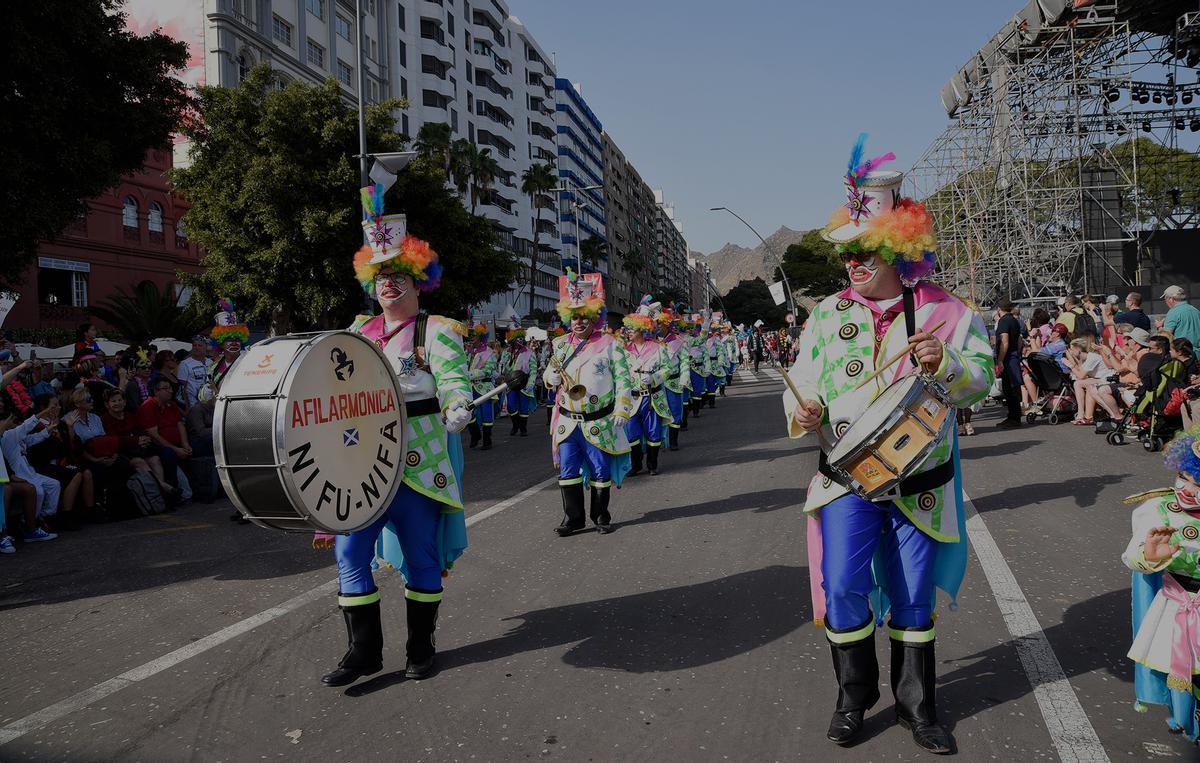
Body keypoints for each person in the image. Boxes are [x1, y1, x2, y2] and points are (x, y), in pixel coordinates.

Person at [784, 138, 993, 754]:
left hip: (918, 484)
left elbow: (980, 380)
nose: (854, 262)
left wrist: (946, 361)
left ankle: (917, 707)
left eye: (867, 250)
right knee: (841, 586)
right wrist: (803, 407)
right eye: (848, 251)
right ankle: (854, 698)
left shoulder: (948, 313)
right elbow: (803, 377)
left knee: (912, 598)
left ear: (900, 249)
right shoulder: (826, 315)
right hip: (846, 479)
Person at [318, 186, 473, 688]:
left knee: (420, 555)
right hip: (361, 463)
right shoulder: (357, 331)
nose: (388, 284)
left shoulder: (437, 330)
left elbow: (453, 379)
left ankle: (420, 648)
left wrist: (457, 403)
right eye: (381, 276)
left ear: (418, 280)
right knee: (349, 552)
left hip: (416, 462)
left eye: (398, 275)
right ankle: (363, 652)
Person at [543, 269, 634, 536]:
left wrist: (623, 408)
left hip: (599, 420)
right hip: (568, 421)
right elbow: (548, 375)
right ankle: (573, 519)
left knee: (600, 471)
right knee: (567, 471)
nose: (579, 322)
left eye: (584, 316)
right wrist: (550, 378)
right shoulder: (560, 345)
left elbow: (624, 379)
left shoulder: (610, 344)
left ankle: (600, 516)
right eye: (574, 317)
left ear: (595, 317)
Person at [1123, 429, 1200, 741]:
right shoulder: (1158, 509)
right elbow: (1133, 556)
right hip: (1177, 605)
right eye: (1183, 477)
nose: (1188, 490)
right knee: (1182, 672)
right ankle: (1187, 721)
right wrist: (1150, 555)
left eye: (1199, 484)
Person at [622, 296, 671, 476]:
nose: (628, 332)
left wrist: (655, 378)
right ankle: (636, 465)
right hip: (632, 398)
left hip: (651, 398)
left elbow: (667, 369)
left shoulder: (659, 348)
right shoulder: (624, 351)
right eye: (628, 329)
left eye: (632, 329)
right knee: (631, 433)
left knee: (653, 433)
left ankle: (652, 464)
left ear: (642, 329)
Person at [659, 307, 691, 451]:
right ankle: (658, 440)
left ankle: (673, 440)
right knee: (658, 413)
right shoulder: (651, 342)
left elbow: (684, 361)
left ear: (666, 324)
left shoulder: (679, 341)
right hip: (656, 384)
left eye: (659, 324)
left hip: (673, 382)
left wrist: (684, 378)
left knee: (675, 411)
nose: (656, 327)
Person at [466, 323, 497, 450]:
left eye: (474, 335)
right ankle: (475, 435)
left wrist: (469, 375)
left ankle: (487, 440)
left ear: (480, 337)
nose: (471, 337)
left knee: (486, 414)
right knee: (467, 412)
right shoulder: (468, 352)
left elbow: (488, 371)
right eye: (471, 335)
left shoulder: (490, 353)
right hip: (469, 388)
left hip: (485, 388)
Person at [500, 327, 537, 437]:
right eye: (518, 338)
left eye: (522, 338)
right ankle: (516, 425)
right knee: (511, 406)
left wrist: (531, 383)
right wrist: (503, 366)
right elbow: (503, 369)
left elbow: (533, 370)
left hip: (524, 383)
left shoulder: (530, 353)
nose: (520, 340)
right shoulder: (507, 352)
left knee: (523, 407)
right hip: (511, 383)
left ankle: (523, 429)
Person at [995, 299, 1024, 429]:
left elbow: (1004, 341)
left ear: (999, 309)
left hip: (1007, 358)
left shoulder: (1003, 321)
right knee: (1012, 388)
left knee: (1009, 389)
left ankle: (1014, 418)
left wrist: (1000, 360)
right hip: (1014, 355)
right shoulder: (1014, 320)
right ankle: (1013, 416)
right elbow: (1019, 340)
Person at [209, 300, 247, 389]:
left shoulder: (248, 361)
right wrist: (205, 391)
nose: (234, 343)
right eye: (229, 340)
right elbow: (203, 392)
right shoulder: (213, 368)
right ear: (221, 344)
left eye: (237, 339)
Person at [176, 335, 212, 409]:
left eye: (200, 345)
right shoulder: (184, 364)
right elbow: (183, 389)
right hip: (194, 406)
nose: (196, 347)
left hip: (210, 404)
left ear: (206, 347)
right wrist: (187, 408)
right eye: (194, 345)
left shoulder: (211, 362)